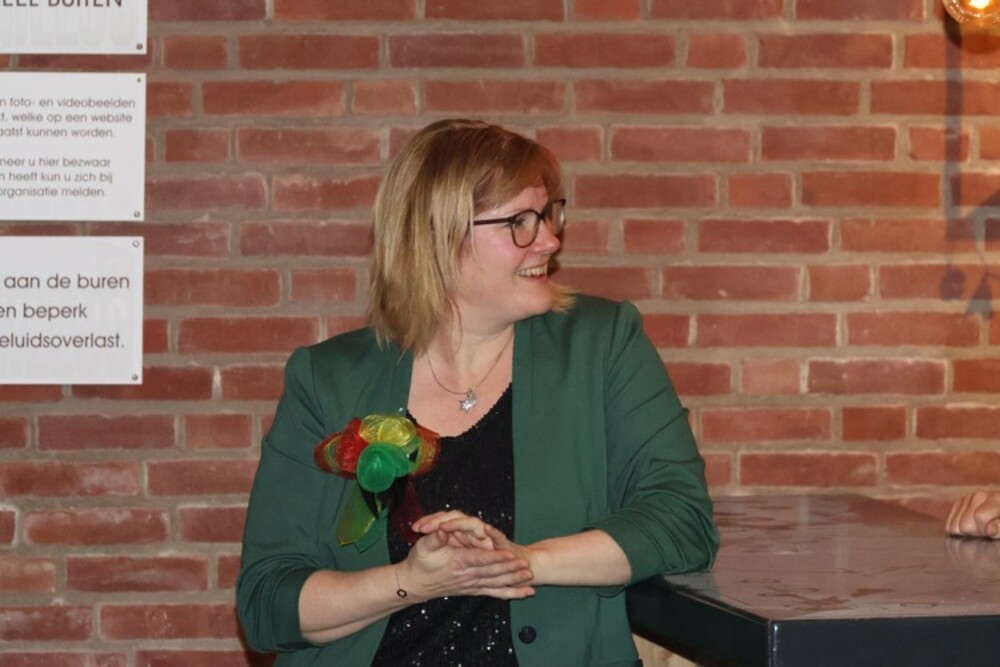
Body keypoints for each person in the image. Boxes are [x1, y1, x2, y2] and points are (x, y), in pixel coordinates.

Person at [236, 118, 719, 665]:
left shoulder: (601, 345)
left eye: (548, 215)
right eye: (520, 222)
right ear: (439, 239)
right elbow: (266, 603)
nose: (550, 240)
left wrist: (522, 561)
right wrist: (413, 580)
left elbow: (681, 519)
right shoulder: (327, 379)